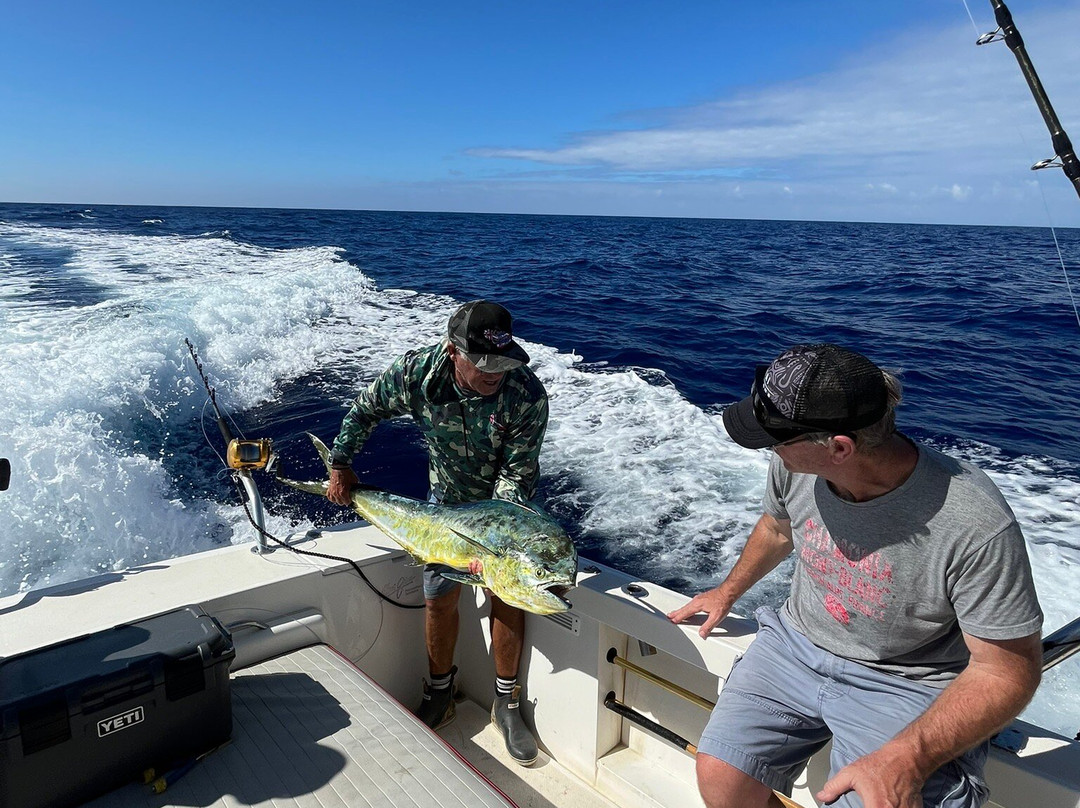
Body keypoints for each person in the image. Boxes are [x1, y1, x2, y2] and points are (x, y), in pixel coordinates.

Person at [668, 343, 1043, 808]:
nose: (771, 449)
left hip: (908, 678)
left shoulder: (977, 524)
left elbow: (1008, 671)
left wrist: (908, 756)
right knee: (721, 776)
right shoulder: (797, 463)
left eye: (778, 439)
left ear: (840, 448)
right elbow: (777, 528)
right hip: (796, 644)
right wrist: (727, 591)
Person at [326, 299, 549, 767]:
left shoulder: (527, 395)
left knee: (509, 593)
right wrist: (341, 463)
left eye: (504, 362)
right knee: (439, 594)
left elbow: (516, 478)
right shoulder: (416, 375)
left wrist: (489, 545)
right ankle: (441, 694)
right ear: (453, 352)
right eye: (483, 364)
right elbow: (365, 410)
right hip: (443, 510)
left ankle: (506, 705)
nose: (496, 373)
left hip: (504, 515)